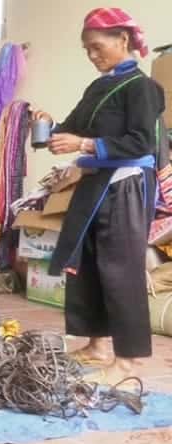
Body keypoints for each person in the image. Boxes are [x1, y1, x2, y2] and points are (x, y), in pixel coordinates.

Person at [32, 8, 168, 386]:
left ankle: (127, 362)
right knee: (87, 263)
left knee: (121, 270)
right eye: (86, 50)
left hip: (126, 183)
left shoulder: (142, 88)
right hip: (96, 182)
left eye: (97, 47)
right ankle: (97, 346)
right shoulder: (98, 88)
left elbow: (142, 141)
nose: (92, 55)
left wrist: (86, 143)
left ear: (122, 40)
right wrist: (50, 127)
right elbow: (71, 129)